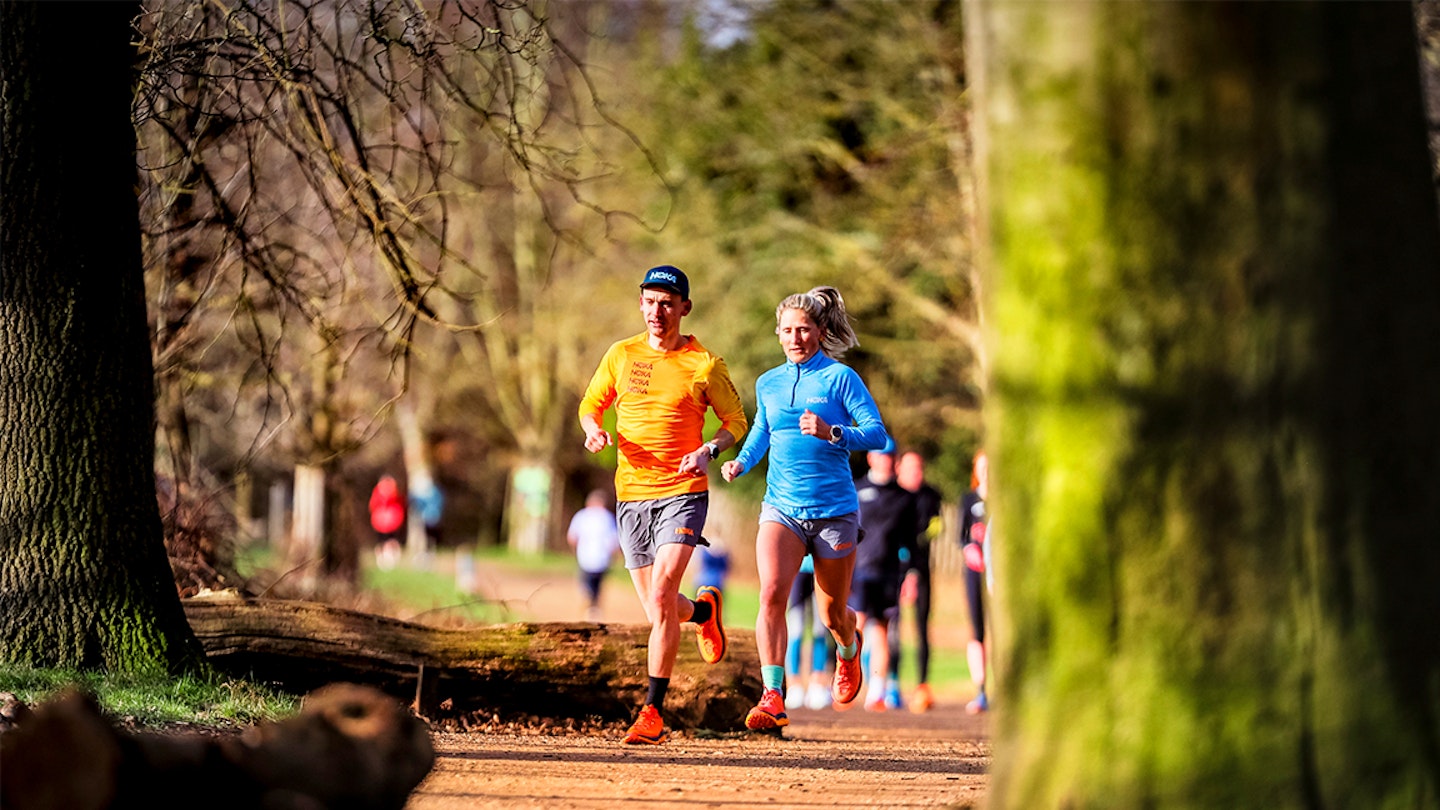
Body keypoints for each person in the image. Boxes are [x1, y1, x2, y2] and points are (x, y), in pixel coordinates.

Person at [579, 264, 748, 745]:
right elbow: (590, 404)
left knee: (660, 596)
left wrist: (709, 451)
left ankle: (651, 712)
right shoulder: (621, 355)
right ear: (640, 304)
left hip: (683, 492)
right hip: (630, 496)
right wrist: (593, 429)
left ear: (684, 308)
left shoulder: (705, 364)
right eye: (650, 300)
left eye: (667, 302)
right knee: (660, 611)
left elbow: (736, 420)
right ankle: (701, 613)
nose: (658, 310)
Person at [720, 285, 890, 730]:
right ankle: (773, 694)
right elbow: (762, 430)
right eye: (788, 330)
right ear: (778, 334)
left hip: (834, 511)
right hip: (782, 508)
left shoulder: (839, 378)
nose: (796, 338)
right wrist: (741, 460)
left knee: (831, 613)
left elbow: (876, 434)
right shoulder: (768, 382)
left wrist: (834, 432)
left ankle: (848, 650)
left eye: (804, 329)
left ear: (820, 331)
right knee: (771, 594)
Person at [848, 440, 917, 711]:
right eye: (881, 455)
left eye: (890, 456)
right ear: (870, 458)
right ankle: (848, 683)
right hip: (859, 571)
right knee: (855, 628)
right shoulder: (857, 489)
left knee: (882, 632)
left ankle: (876, 691)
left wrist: (910, 575)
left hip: (889, 574)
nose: (886, 461)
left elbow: (911, 542)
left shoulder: (905, 498)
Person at [887, 450, 943, 712]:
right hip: (893, 571)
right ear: (899, 469)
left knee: (922, 629)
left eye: (919, 468)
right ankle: (892, 684)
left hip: (922, 571)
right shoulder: (893, 495)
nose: (915, 473)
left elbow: (934, 529)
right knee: (892, 628)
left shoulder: (932, 496)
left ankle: (922, 686)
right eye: (910, 468)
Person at [960, 449, 990, 713]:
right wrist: (969, 548)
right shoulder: (969, 499)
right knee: (977, 630)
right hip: (974, 571)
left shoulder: (1006, 500)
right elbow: (962, 536)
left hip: (999, 575)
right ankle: (980, 690)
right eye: (982, 467)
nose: (986, 472)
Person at [784, 554, 834, 710]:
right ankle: (794, 685)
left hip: (823, 567)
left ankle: (817, 683)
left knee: (821, 628)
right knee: (796, 628)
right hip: (796, 569)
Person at [567, 488, 621, 621]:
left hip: (584, 558)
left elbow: (572, 537)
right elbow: (614, 541)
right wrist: (614, 556)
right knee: (597, 588)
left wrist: (575, 551)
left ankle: (587, 609)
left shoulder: (581, 516)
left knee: (585, 587)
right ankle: (593, 610)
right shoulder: (608, 517)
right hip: (602, 559)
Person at [369, 475, 405, 569]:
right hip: (393, 520)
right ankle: (390, 559)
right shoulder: (395, 492)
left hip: (380, 521)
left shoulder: (377, 492)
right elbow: (401, 505)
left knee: (382, 541)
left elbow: (372, 505)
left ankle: (383, 559)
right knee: (391, 540)